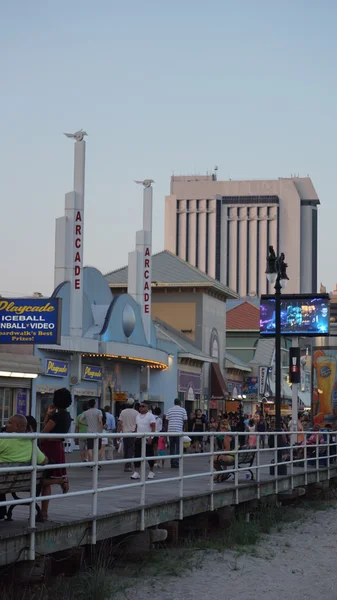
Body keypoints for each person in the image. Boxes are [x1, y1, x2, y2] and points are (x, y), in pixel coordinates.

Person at [0, 415, 48, 520]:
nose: (5, 425)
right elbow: (44, 461)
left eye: (9, 423)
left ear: (17, 426)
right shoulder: (31, 441)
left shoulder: (3, 439)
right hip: (19, 483)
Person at [39, 388, 72, 522]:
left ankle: (60, 481)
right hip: (58, 447)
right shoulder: (67, 416)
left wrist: (48, 415)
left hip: (49, 447)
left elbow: (43, 432)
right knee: (47, 479)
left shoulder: (57, 417)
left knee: (44, 480)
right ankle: (44, 513)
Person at [131, 401, 156, 480]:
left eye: (143, 406)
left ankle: (151, 471)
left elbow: (153, 427)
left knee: (149, 454)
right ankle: (136, 472)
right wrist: (135, 435)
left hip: (147, 438)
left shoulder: (150, 416)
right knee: (137, 454)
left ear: (147, 407)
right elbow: (137, 426)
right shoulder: (137, 416)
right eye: (140, 406)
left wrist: (151, 437)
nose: (141, 408)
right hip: (139, 437)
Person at [80, 398, 103, 467]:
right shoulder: (99, 411)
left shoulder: (86, 412)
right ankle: (97, 462)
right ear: (95, 404)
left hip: (89, 432)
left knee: (90, 448)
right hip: (97, 432)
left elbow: (80, 420)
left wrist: (86, 424)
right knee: (98, 448)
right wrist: (101, 429)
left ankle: (90, 463)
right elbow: (100, 421)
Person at [165, 399, 188, 468]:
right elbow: (185, 421)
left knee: (172, 447)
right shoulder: (183, 410)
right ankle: (176, 462)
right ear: (180, 403)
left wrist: (167, 430)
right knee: (178, 447)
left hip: (171, 431)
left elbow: (166, 421)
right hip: (178, 431)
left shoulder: (169, 410)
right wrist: (185, 431)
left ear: (174, 403)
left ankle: (172, 462)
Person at [118, 401, 138, 472]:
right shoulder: (136, 413)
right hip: (132, 433)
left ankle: (126, 464)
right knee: (131, 450)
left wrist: (119, 432)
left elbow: (120, 423)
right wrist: (136, 433)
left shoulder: (123, 412)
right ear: (133, 404)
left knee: (125, 449)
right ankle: (128, 465)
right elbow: (137, 425)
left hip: (125, 433)